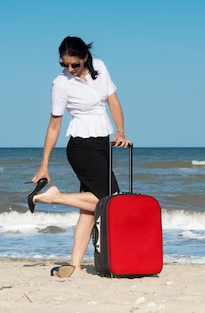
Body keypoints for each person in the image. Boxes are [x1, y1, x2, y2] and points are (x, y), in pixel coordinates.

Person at [29, 36, 131, 277]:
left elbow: (113, 102)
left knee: (89, 209)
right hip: (81, 148)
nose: (70, 69)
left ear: (85, 57)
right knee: (110, 202)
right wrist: (44, 165)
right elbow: (54, 126)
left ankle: (73, 265)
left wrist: (120, 131)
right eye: (64, 64)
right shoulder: (60, 84)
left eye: (74, 64)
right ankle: (55, 197)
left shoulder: (101, 68)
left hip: (103, 144)